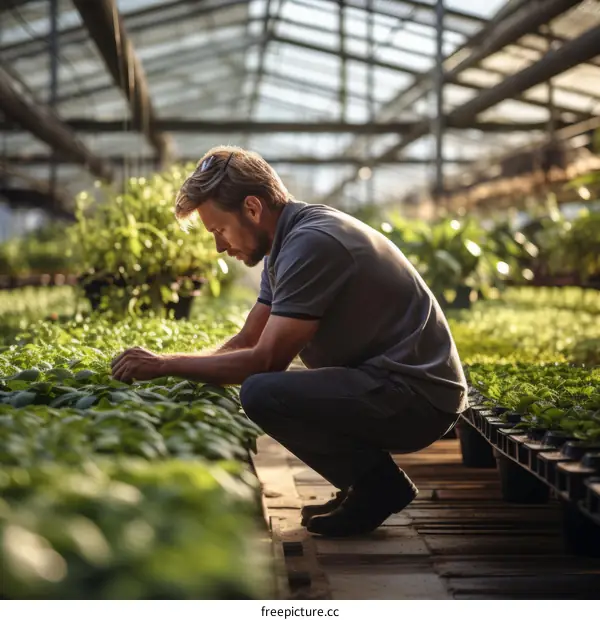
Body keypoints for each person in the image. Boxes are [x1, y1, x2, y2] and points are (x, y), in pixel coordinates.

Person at [111, 146, 468, 538]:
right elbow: (247, 339)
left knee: (263, 392)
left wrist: (164, 364)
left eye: (219, 230)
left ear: (252, 208)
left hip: (417, 397)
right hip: (392, 383)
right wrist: (175, 369)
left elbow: (264, 361)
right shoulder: (286, 243)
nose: (219, 246)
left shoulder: (312, 243)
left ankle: (377, 487)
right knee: (266, 387)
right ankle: (361, 484)